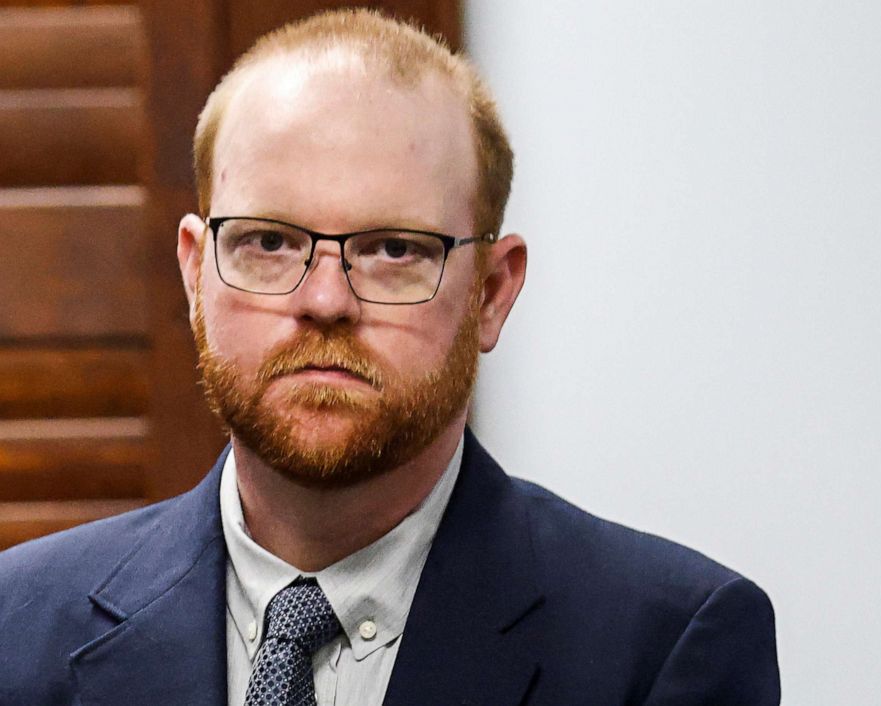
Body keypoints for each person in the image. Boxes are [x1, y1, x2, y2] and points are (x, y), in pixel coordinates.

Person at [0, 9, 780, 705]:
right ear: (195, 274)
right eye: (269, 242)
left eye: (394, 250)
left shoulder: (665, 649)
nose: (327, 300)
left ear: (492, 291)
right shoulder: (17, 627)